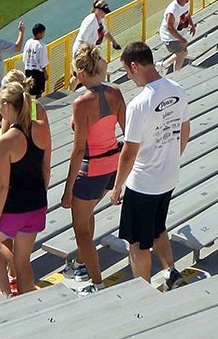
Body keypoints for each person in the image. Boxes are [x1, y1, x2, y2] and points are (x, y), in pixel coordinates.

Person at [111, 41, 191, 290]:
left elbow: (128, 153)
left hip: (144, 182)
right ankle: (171, 271)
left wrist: (116, 187)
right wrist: (171, 157)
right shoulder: (177, 89)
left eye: (127, 71)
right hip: (168, 176)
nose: (128, 77)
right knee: (158, 228)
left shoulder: (138, 104)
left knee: (137, 243)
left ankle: (142, 291)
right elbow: (185, 129)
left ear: (134, 66)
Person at [61, 45, 126, 290]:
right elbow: (127, 132)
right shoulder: (116, 93)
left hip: (91, 170)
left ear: (80, 72)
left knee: (81, 229)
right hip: (112, 166)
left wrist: (67, 189)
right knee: (88, 215)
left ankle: (96, 281)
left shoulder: (81, 103)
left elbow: (78, 150)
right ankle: (80, 262)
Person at [0, 79, 51, 297]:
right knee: (23, 262)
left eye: (1, 105)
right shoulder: (40, 128)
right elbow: (45, 168)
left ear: (8, 106)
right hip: (37, 204)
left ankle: (6, 293)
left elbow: (2, 186)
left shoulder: (5, 141)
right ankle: (27, 301)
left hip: (13, 208)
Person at [159, 0, 195, 71]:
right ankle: (176, 74)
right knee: (183, 53)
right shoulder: (172, 10)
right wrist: (181, 39)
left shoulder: (186, 3)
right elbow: (169, 27)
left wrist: (192, 25)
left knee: (182, 53)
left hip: (179, 34)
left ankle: (163, 65)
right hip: (169, 37)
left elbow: (187, 13)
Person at [22, 24, 50, 97]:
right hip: (38, 72)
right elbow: (42, 61)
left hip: (28, 70)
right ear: (39, 33)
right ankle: (36, 107)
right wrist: (45, 73)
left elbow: (24, 57)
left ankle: (28, 106)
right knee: (38, 92)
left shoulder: (28, 42)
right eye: (43, 32)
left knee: (28, 91)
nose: (44, 34)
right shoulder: (41, 45)